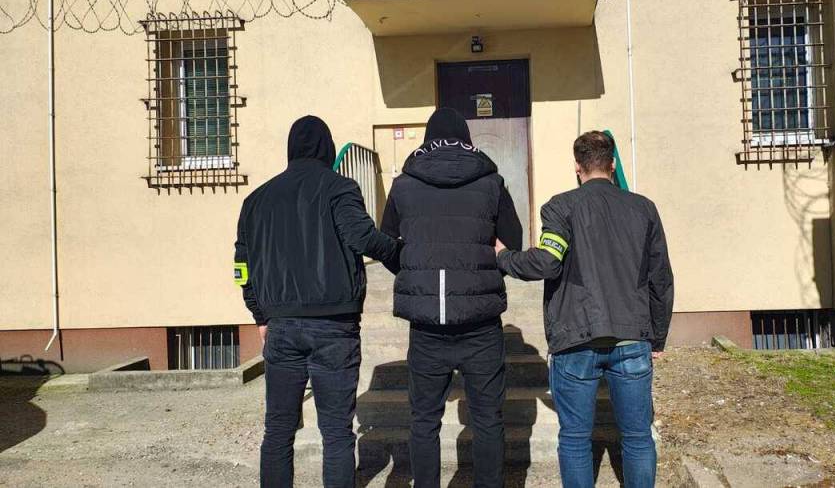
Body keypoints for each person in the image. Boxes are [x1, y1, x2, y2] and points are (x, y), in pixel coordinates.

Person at [495, 130, 674, 488]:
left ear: (577, 166)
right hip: (632, 338)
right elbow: (661, 279)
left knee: (575, 439)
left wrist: (504, 257)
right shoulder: (644, 209)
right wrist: (656, 337)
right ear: (612, 165)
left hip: (575, 339)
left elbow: (547, 261)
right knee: (638, 437)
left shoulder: (560, 207)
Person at [233, 115, 401, 488]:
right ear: (328, 148)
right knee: (337, 432)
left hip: (281, 327)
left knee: (278, 429)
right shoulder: (339, 188)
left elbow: (242, 268)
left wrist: (259, 315)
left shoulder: (256, 200)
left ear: (290, 148)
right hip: (334, 326)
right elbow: (364, 238)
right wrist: (405, 258)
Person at [380, 107, 523, 488]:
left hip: (427, 323)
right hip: (481, 323)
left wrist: (417, 274)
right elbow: (514, 242)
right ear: (466, 138)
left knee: (424, 420)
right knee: (487, 419)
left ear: (428, 138)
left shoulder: (404, 184)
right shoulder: (491, 181)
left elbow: (386, 244)